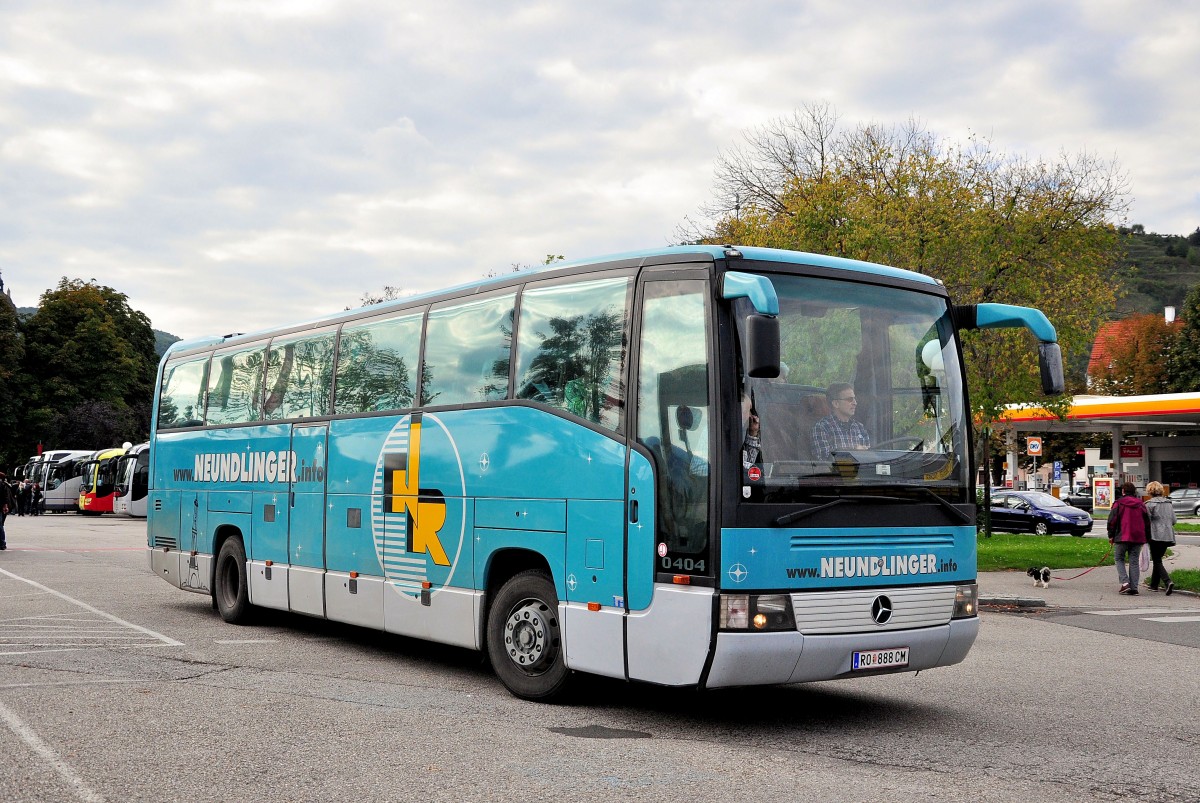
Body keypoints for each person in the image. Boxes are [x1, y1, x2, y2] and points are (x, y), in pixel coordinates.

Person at [1107, 482, 1150, 595]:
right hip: (1138, 537)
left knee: (1119, 558)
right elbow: (1147, 522)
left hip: (1122, 535)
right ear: (1134, 491)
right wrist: (1146, 537)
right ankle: (1134, 587)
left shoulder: (1118, 503)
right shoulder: (1141, 504)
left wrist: (1111, 535)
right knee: (1134, 561)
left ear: (1123, 491)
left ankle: (1125, 583)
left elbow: (1112, 520)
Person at [811, 382, 870, 458]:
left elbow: (869, 457)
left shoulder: (860, 427)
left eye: (854, 399)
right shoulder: (822, 428)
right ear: (836, 403)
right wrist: (854, 451)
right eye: (850, 399)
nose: (855, 403)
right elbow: (823, 460)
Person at [1144, 481, 1176, 595]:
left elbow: (1146, 522)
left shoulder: (1148, 504)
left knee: (1157, 560)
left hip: (1155, 535)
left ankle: (1167, 581)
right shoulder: (1169, 503)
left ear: (1150, 491)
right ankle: (1154, 585)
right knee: (1158, 559)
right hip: (1168, 535)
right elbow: (1174, 520)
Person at [0, 471, 12, 550]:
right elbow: (5, 497)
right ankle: (2, 543)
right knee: (0, 525)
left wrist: (5, 506)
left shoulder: (2, 485)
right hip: (1, 507)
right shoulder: (4, 485)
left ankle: (2, 543)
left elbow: (5, 497)